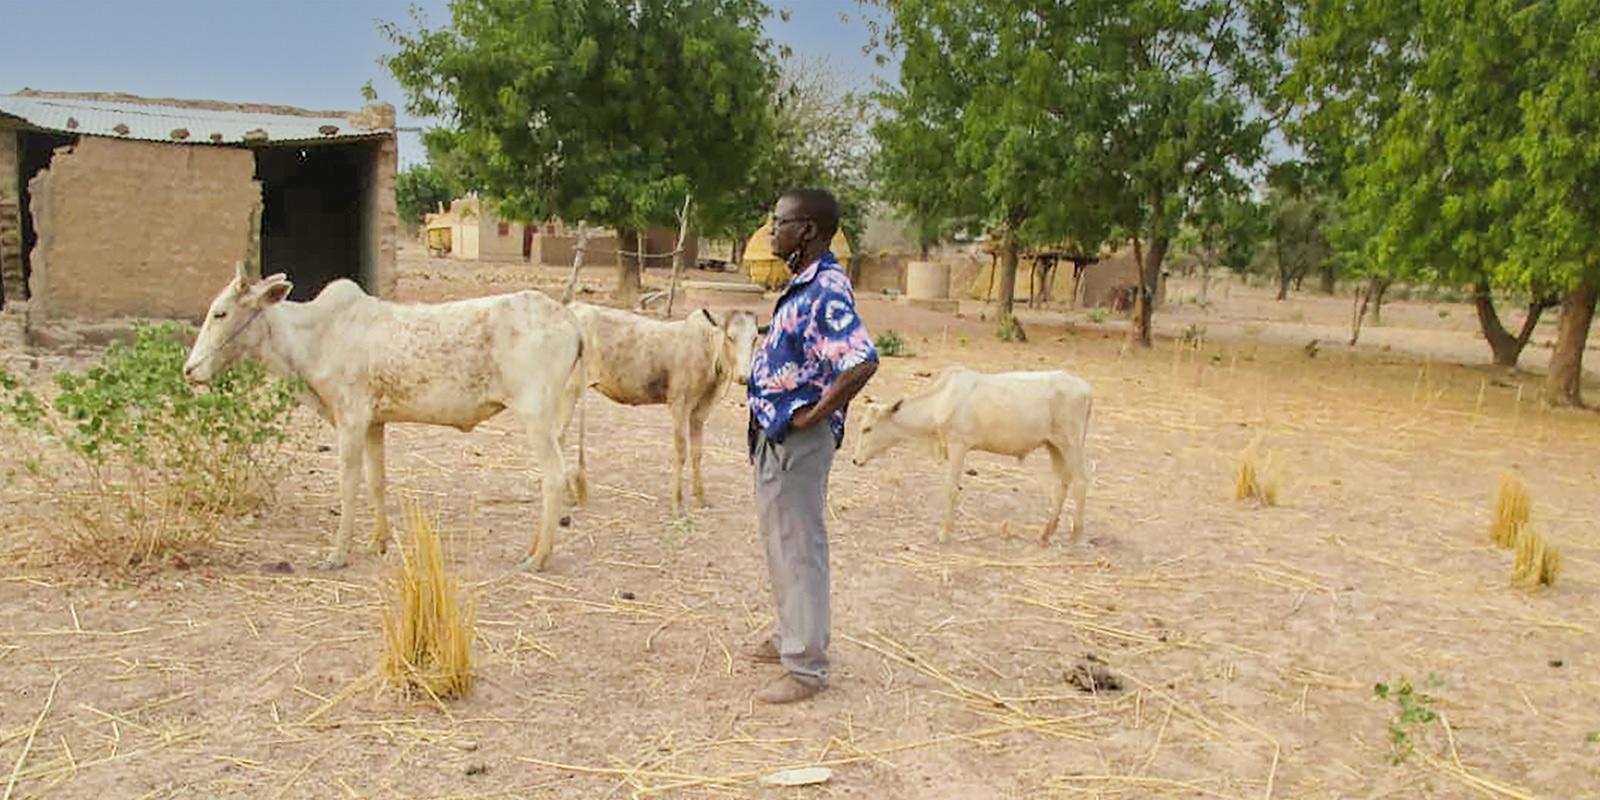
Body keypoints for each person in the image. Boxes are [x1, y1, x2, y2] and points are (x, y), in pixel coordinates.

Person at [745, 188, 879, 704]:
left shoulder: (826, 289)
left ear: (806, 231)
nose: (770, 230)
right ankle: (790, 636)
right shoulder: (804, 283)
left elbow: (861, 360)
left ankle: (805, 669)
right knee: (782, 541)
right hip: (775, 435)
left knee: (800, 546)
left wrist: (815, 414)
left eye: (779, 221)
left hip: (798, 441)